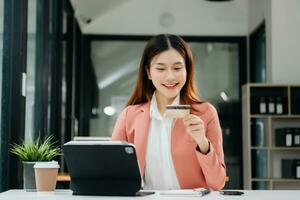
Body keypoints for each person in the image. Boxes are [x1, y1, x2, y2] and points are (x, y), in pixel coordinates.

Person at [112, 34, 226, 190]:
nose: (170, 76)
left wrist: (203, 143)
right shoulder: (129, 116)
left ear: (187, 69)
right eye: (161, 68)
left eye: (177, 68)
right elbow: (112, 174)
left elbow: (217, 183)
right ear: (149, 72)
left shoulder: (205, 112)